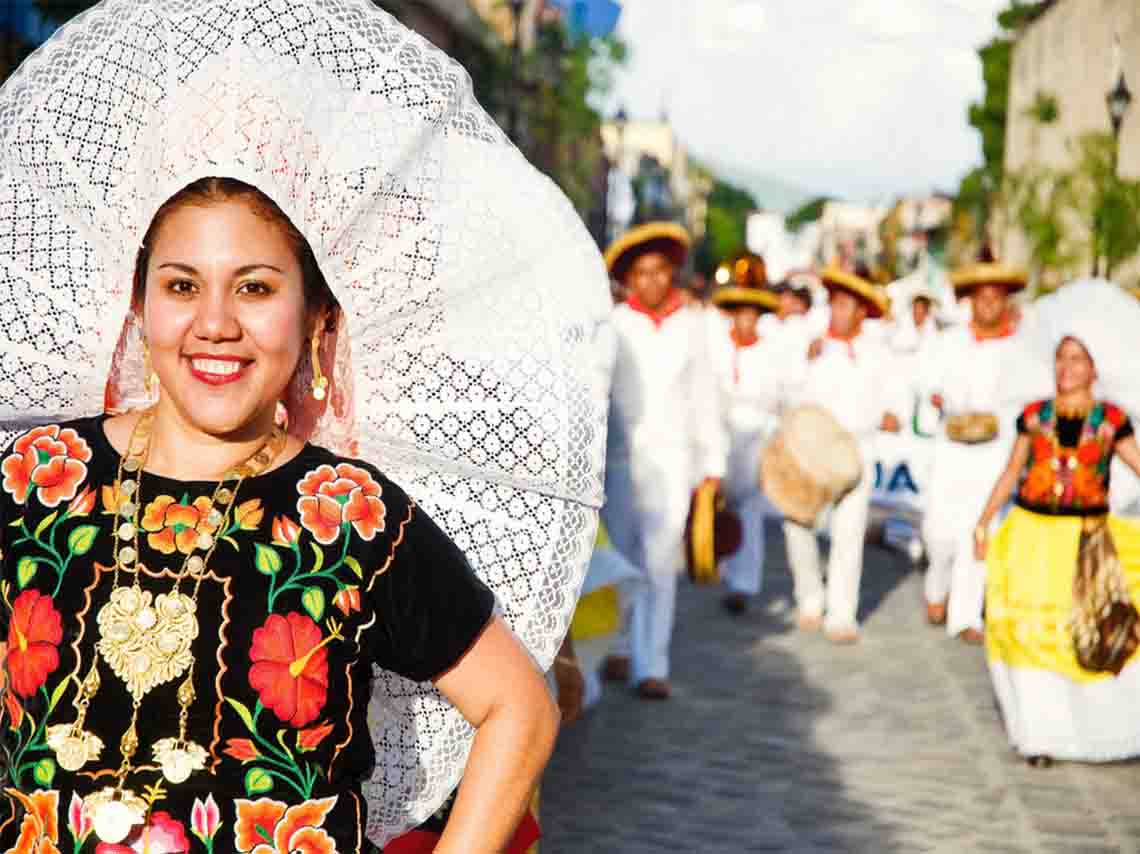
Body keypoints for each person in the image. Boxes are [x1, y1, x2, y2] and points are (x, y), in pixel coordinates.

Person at [0, 3, 611, 849]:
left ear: (316, 318)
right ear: (137, 308)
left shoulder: (352, 516)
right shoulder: (35, 479)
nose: (214, 323)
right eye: (181, 286)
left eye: (254, 287)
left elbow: (519, 707)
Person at [976, 314, 1140, 766]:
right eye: (1060, 358)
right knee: (1029, 634)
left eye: (1077, 359)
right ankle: (1040, 735)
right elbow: (1013, 471)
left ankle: (1093, 733)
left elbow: (1137, 464)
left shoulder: (1110, 421)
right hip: (1031, 534)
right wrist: (984, 519)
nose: (1066, 368)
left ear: (1094, 369)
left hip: (1087, 540)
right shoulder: (1034, 417)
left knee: (1087, 632)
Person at [601, 222, 727, 700]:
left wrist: (712, 461)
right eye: (641, 273)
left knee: (659, 562)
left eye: (659, 272)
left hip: (673, 460)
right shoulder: (613, 326)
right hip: (619, 459)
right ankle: (616, 644)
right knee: (619, 555)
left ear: (671, 273)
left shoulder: (692, 326)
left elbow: (705, 396)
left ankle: (652, 663)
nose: (651, 282)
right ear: (628, 279)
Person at [920, 252, 1046, 641]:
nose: (989, 304)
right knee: (940, 534)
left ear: (1007, 301)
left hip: (996, 451)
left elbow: (1038, 397)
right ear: (971, 300)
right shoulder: (949, 341)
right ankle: (936, 586)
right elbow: (926, 382)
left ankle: (966, 616)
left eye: (997, 297)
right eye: (982, 297)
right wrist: (937, 398)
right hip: (951, 448)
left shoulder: (1024, 348)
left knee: (981, 528)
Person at [782, 264, 900, 643]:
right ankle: (809, 597)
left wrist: (890, 413)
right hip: (814, 447)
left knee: (849, 532)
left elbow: (893, 395)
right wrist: (804, 358)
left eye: (847, 305)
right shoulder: (809, 342)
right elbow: (787, 394)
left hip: (857, 449)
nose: (838, 312)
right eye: (834, 303)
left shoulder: (876, 351)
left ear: (862, 311)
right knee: (798, 522)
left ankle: (841, 613)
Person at [708, 281, 782, 615]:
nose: (746, 322)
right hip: (719, 431)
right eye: (741, 315)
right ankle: (712, 561)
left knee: (749, 509)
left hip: (754, 433)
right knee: (714, 503)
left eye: (753, 316)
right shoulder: (716, 346)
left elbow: (775, 400)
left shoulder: (769, 352)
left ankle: (743, 583)